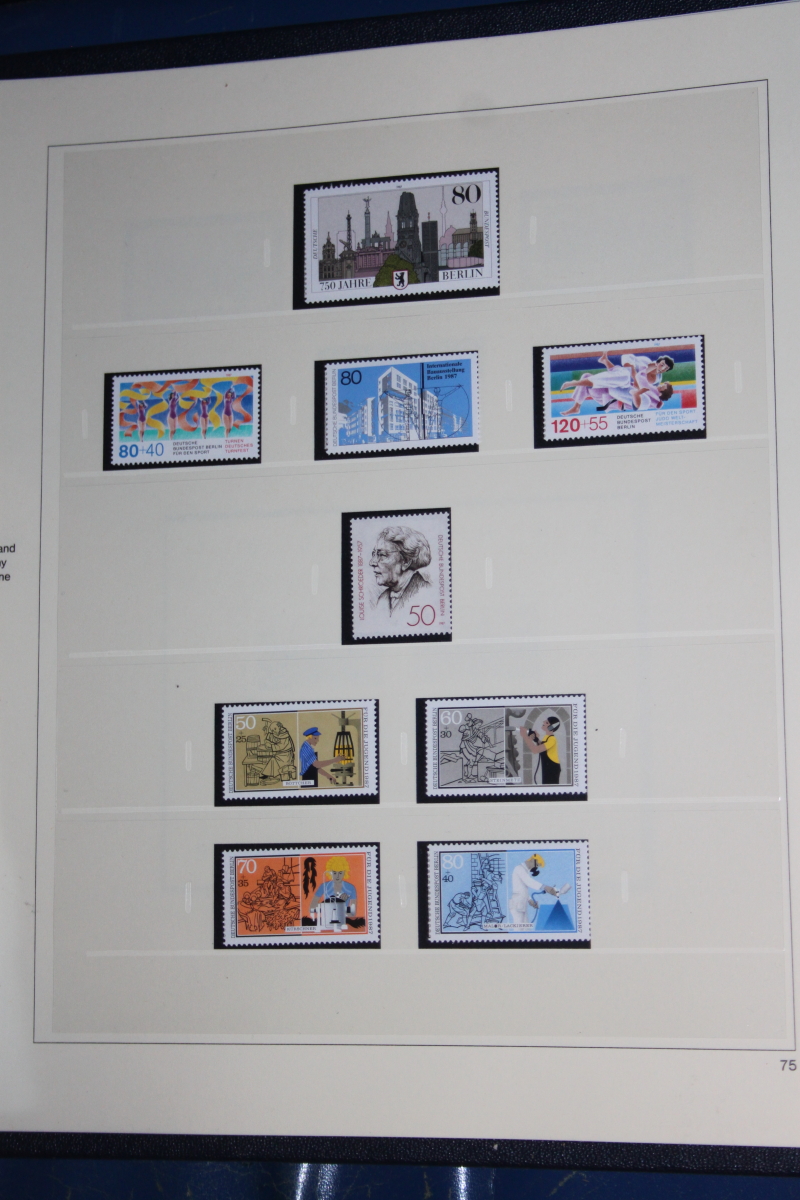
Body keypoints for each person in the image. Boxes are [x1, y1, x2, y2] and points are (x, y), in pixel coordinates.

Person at [559, 350, 675, 415]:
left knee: (622, 377)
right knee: (588, 376)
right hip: (619, 384)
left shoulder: (653, 387)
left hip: (612, 396)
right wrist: (633, 371)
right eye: (662, 365)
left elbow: (637, 387)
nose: (662, 368)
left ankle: (575, 383)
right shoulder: (645, 362)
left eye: (665, 368)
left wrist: (635, 379)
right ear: (658, 361)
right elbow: (628, 360)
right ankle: (576, 407)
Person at [369, 525, 432, 615]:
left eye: (382, 555)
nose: (372, 562)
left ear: (406, 561)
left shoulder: (426, 592)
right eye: (373, 554)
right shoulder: (382, 599)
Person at [507, 853, 559, 925]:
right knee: (519, 929)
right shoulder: (519, 868)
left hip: (521, 905)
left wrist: (530, 901)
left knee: (526, 928)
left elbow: (522, 889)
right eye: (536, 865)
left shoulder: (525, 871)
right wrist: (545, 887)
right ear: (532, 860)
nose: (536, 868)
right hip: (517, 905)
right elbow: (529, 882)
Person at [310, 855, 357, 921]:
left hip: (343, 921)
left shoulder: (351, 888)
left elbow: (353, 913)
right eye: (334, 873)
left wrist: (341, 908)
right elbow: (312, 907)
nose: (337, 876)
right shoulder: (323, 886)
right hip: (327, 920)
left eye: (340, 873)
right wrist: (328, 905)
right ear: (330, 872)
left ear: (344, 872)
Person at [519, 717, 562, 785]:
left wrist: (525, 736)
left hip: (552, 768)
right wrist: (536, 739)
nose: (543, 722)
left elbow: (535, 750)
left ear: (551, 727)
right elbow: (542, 745)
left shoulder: (552, 739)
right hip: (547, 767)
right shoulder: (547, 737)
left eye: (546, 722)